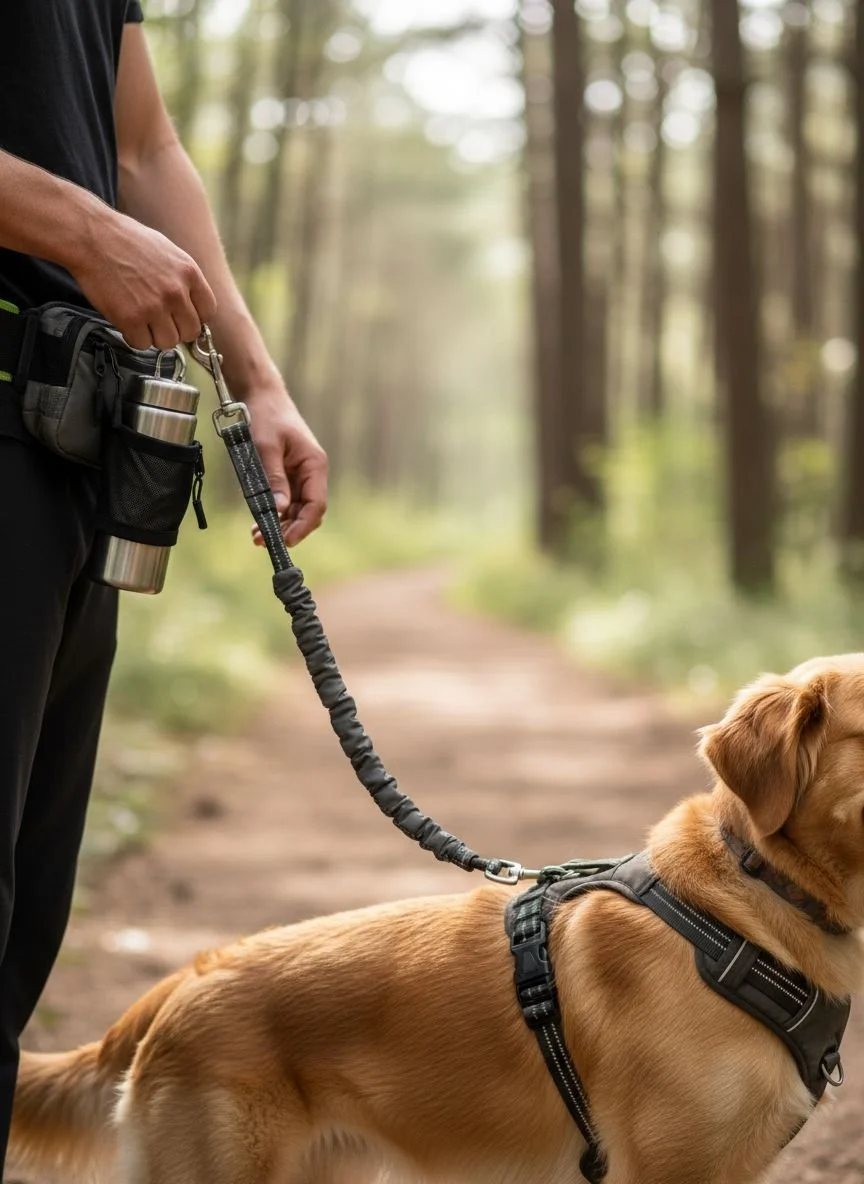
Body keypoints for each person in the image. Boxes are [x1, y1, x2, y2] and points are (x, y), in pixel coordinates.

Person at [0, 1, 328, 1170]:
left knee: (22, 924)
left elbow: (145, 145)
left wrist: (261, 381)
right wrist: (81, 228)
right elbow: (113, 193)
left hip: (62, 447)